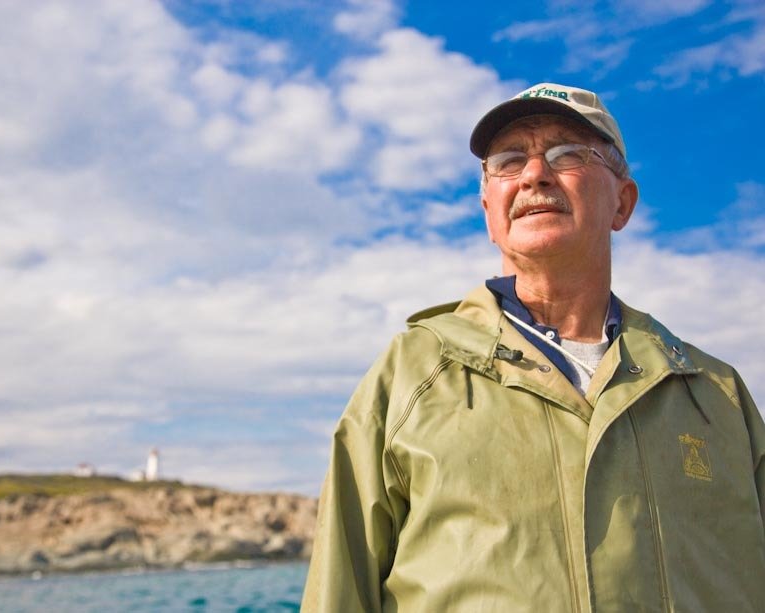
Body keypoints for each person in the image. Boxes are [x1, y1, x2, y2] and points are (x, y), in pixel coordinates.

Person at [302, 82, 765, 612]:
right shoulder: (410, 374)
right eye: (508, 160)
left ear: (623, 202)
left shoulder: (718, 395)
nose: (534, 174)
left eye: (568, 154)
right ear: (488, 210)